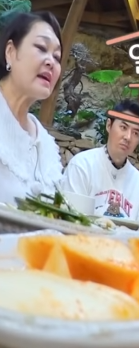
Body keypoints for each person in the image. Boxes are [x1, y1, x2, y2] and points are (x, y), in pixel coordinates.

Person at [0, 12, 64, 206]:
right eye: (41, 48)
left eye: (57, 57)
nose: (51, 62)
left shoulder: (46, 145)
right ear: (10, 52)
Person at [62, 99, 139, 221]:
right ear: (109, 125)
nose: (128, 137)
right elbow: (69, 219)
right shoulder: (82, 165)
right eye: (123, 127)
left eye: (135, 133)